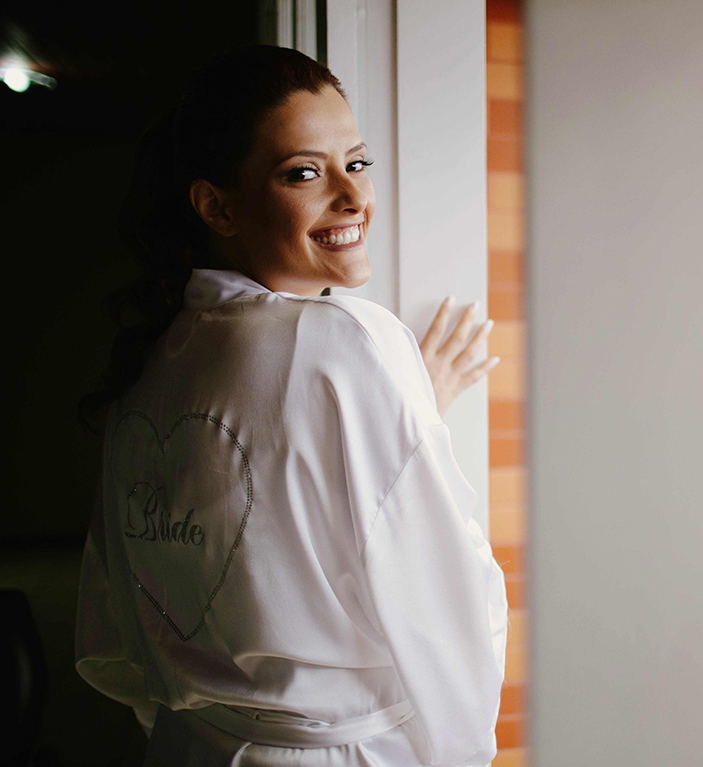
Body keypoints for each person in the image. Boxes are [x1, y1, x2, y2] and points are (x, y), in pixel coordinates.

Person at [74, 45, 508, 766]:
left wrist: (408, 406)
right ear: (217, 205)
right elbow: (449, 610)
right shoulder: (350, 343)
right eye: (303, 172)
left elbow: (114, 639)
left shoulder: (147, 369)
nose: (353, 195)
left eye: (358, 162)